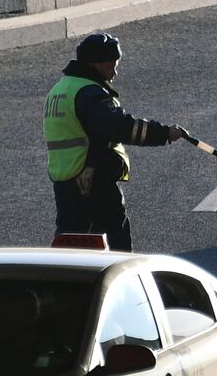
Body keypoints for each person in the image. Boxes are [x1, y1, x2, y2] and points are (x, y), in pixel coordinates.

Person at [44, 32, 187, 252]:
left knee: (70, 243)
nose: (115, 71)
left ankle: (61, 283)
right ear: (96, 64)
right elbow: (121, 128)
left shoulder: (61, 89)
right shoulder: (89, 94)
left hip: (65, 178)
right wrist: (164, 134)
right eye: (111, 65)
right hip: (91, 180)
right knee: (115, 241)